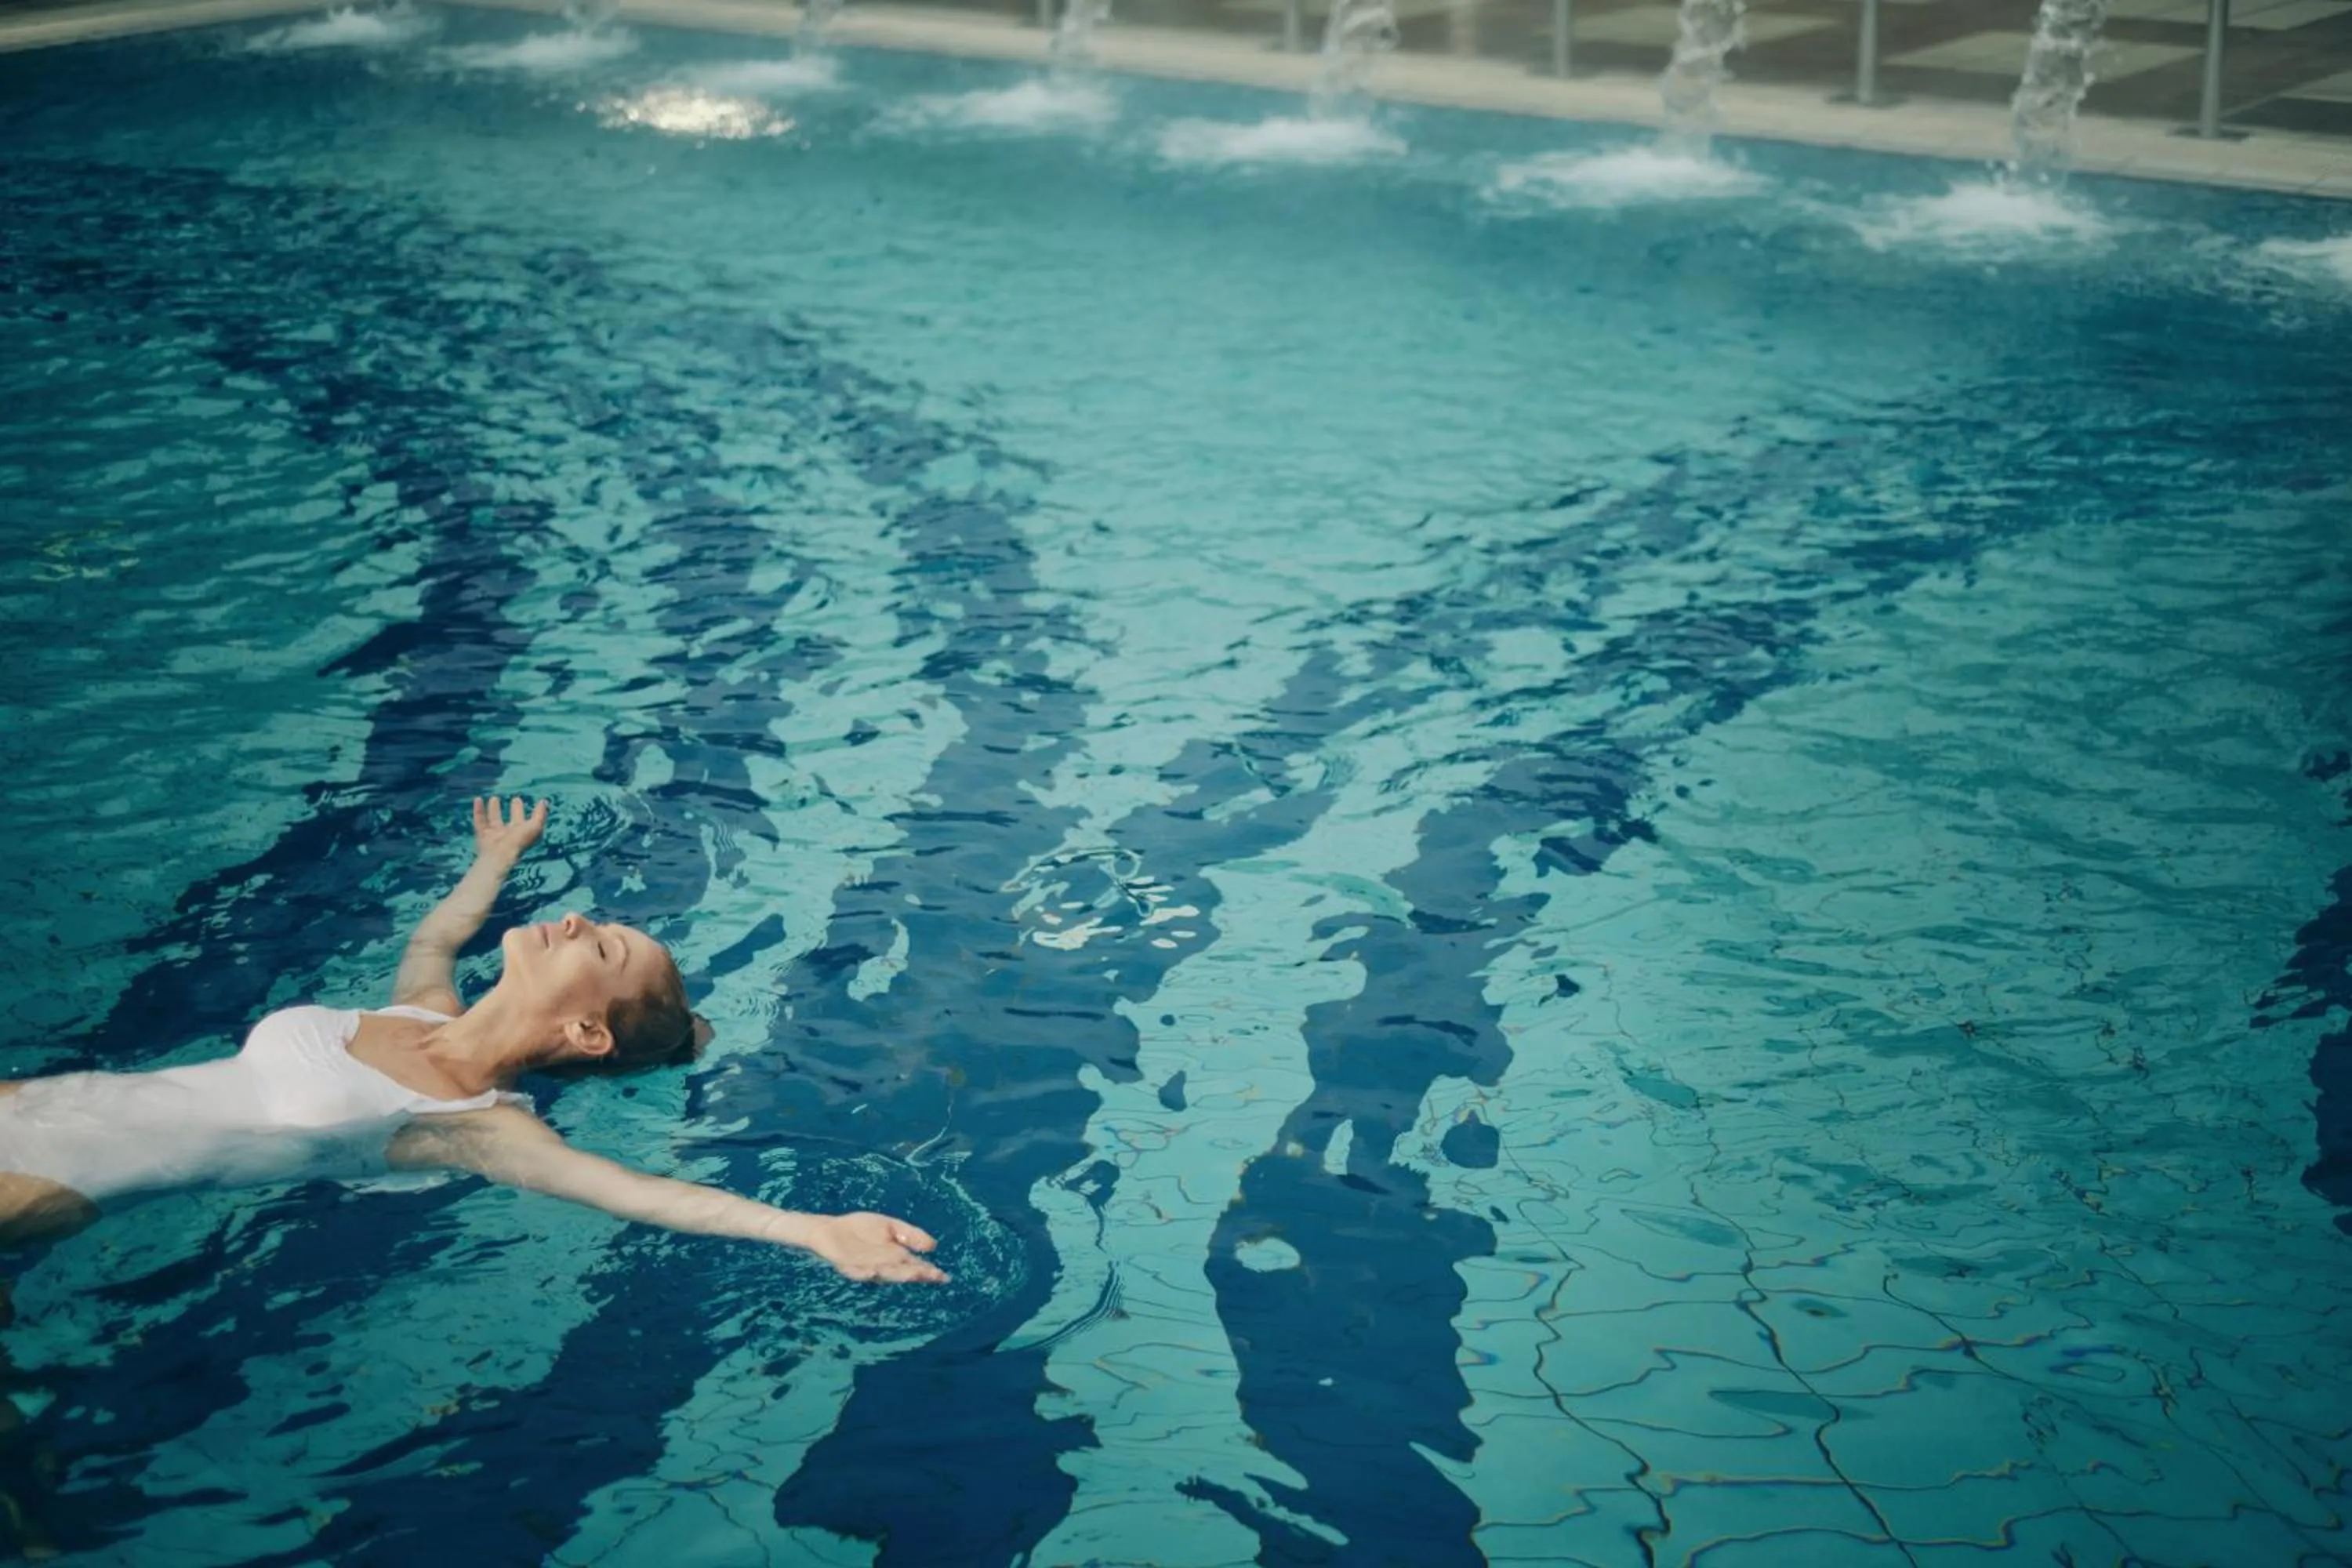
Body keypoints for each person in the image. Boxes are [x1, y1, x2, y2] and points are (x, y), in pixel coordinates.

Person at [0, 797, 948, 1286]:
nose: (576, 919)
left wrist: (813, 1230)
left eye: (603, 943)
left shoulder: (477, 1127)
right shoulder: (422, 1014)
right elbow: (434, 938)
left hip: (46, 1184)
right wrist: (494, 862)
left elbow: (643, 1193)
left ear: (584, 1030)